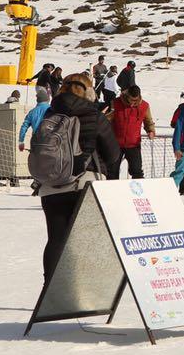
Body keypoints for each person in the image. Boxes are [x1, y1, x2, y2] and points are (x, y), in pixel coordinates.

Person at [34, 72, 121, 285]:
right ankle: (83, 289)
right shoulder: (94, 115)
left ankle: (51, 288)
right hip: (85, 184)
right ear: (89, 90)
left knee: (56, 238)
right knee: (87, 238)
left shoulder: (50, 114)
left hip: (51, 184)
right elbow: (113, 155)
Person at [107, 85, 156, 180]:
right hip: (115, 144)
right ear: (127, 95)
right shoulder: (115, 103)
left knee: (137, 171)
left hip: (134, 144)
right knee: (112, 171)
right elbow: (107, 120)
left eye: (135, 100)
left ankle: (137, 193)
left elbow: (148, 121)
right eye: (131, 100)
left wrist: (151, 130)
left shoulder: (144, 106)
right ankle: (112, 192)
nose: (133, 103)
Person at [17, 87, 51, 152]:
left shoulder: (32, 112)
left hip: (36, 142)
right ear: (47, 99)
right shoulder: (52, 110)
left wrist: (21, 142)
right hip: (49, 142)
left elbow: (24, 127)